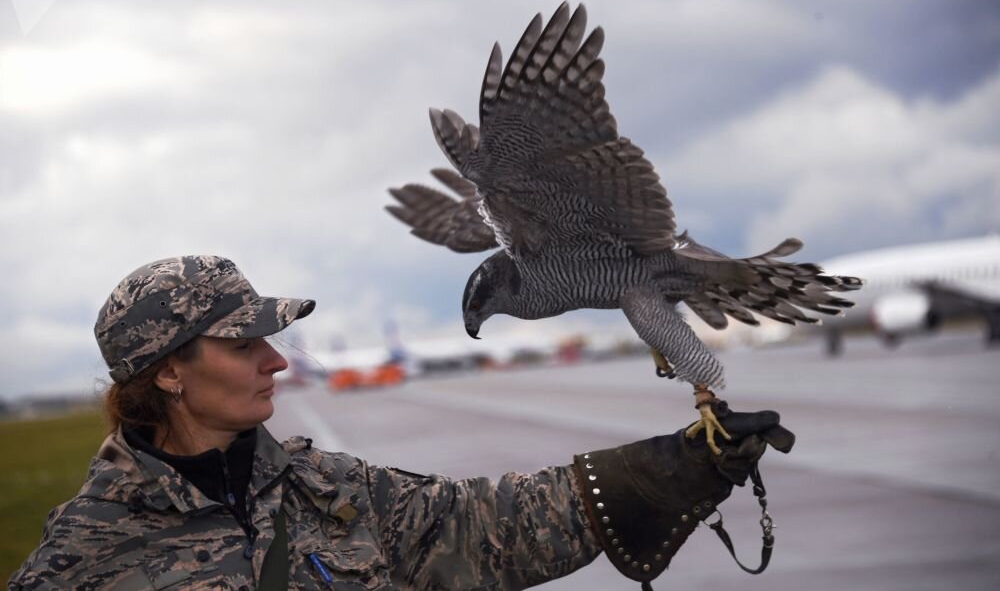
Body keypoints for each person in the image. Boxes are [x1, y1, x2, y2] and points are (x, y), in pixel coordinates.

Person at [9, 255, 790, 590]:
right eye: (245, 344)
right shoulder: (82, 559)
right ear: (168, 372)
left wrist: (680, 464)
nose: (276, 361)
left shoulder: (330, 490)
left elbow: (489, 526)